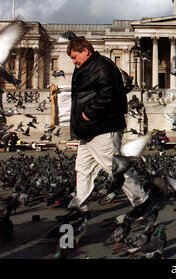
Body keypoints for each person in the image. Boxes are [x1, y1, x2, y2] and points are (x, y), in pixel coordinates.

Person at [64, 37, 149, 221]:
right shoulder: (87, 67)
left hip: (102, 127)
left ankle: (142, 201)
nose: (73, 61)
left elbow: (109, 94)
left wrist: (89, 114)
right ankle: (81, 205)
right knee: (83, 168)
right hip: (88, 129)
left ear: (85, 51)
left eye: (74, 56)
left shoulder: (102, 66)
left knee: (115, 169)